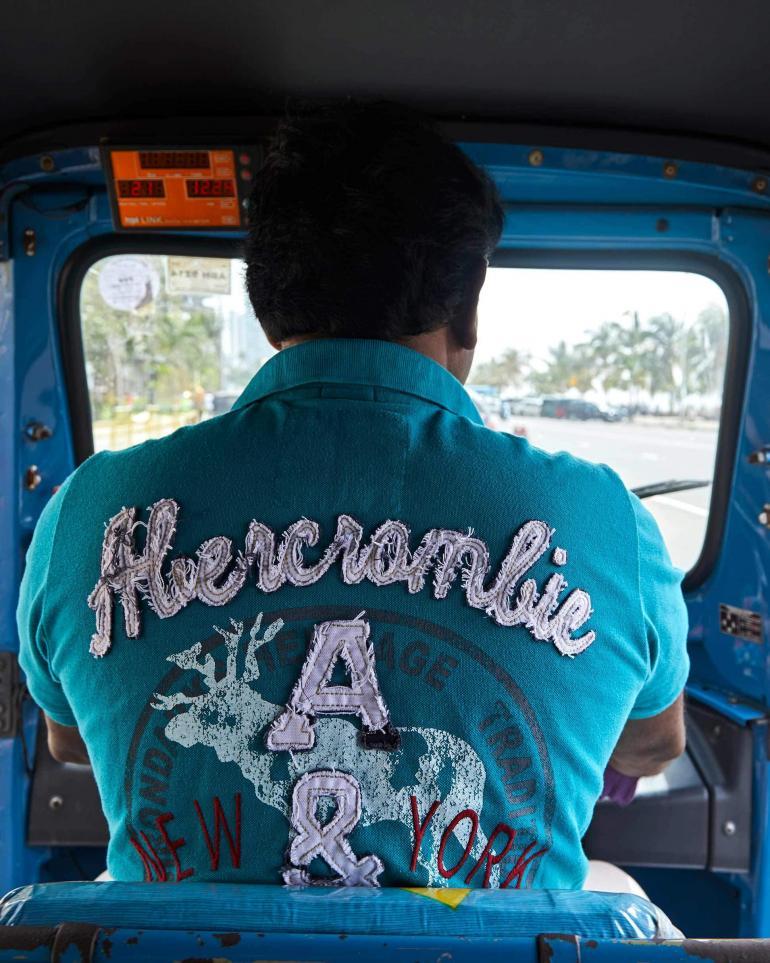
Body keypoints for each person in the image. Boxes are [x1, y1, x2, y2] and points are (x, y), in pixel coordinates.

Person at [17, 103, 687, 891]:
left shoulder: (93, 513)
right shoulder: (607, 523)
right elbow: (650, 745)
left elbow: (68, 740)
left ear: (268, 308)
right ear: (468, 308)